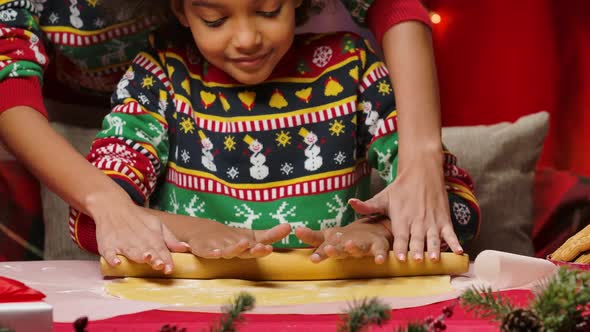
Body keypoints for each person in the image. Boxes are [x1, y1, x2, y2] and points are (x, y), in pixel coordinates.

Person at [0, 0, 460, 271]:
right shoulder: (160, 79)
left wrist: (375, 230)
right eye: (216, 19)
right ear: (180, 9)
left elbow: (450, 201)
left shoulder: (350, 69)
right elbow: (96, 216)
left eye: (267, 10)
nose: (245, 39)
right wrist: (194, 231)